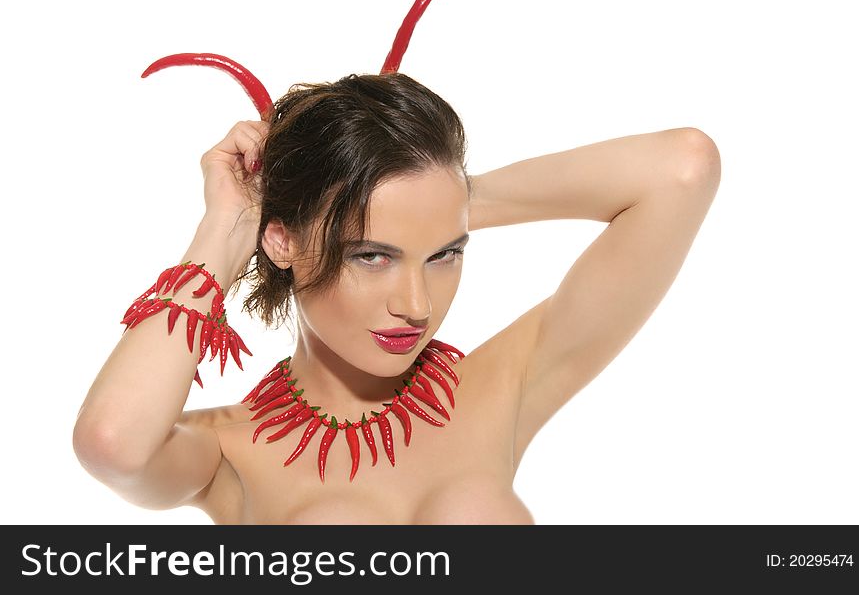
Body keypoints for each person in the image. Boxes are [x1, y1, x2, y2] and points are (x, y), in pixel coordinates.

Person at [72, 69, 720, 524]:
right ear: (282, 242)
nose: (416, 303)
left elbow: (681, 169)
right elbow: (111, 442)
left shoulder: (499, 390)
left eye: (445, 254)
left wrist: (445, 202)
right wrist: (224, 230)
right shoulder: (228, 454)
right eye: (373, 255)